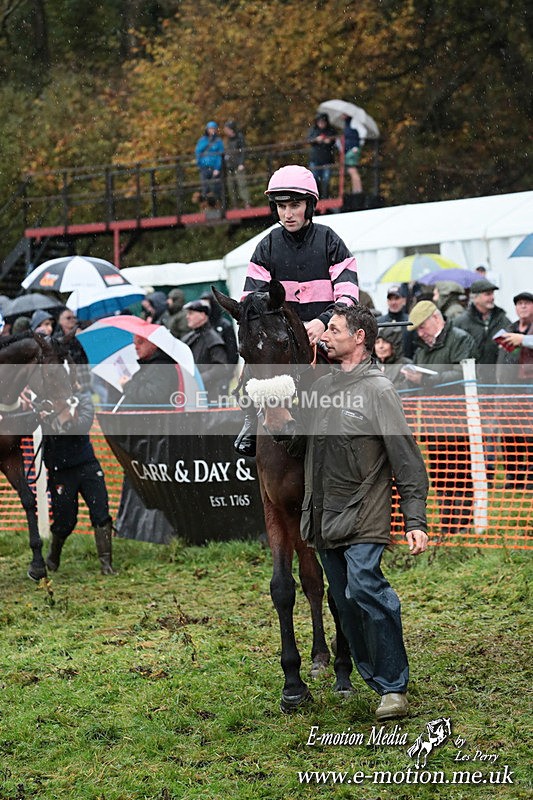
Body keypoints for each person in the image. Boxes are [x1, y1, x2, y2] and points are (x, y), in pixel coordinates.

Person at [264, 303, 428, 721]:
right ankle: (374, 676)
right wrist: (281, 422)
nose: (325, 336)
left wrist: (414, 518)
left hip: (364, 513)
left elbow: (406, 458)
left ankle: (394, 688)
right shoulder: (322, 390)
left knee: (365, 589)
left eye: (333, 330)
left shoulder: (379, 390)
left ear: (359, 337)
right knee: (344, 600)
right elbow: (304, 448)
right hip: (323, 518)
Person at [237, 164, 359, 456]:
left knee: (361, 365)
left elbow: (349, 293)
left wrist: (323, 321)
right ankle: (249, 420)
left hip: (327, 331)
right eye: (282, 207)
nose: (288, 214)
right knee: (254, 359)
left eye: (295, 205)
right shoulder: (266, 246)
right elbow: (251, 301)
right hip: (284, 338)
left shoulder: (330, 240)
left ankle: (366, 427)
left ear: (309, 206)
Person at [403, 301, 478, 535]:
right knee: (440, 472)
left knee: (461, 471)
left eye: (422, 327)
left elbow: (462, 373)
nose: (421, 333)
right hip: (434, 421)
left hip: (458, 420)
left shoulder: (461, 339)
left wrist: (424, 380)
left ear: (436, 319)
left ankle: (464, 522)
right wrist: (410, 378)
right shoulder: (422, 349)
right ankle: (448, 523)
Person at [42, 378, 115, 576]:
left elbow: (81, 426)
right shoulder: (44, 403)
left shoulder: (82, 400)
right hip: (61, 470)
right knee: (65, 520)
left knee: (101, 512)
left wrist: (64, 411)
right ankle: (53, 556)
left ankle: (106, 565)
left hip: (87, 464)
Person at [496, 291, 533, 490]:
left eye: (527, 303)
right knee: (510, 434)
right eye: (519, 303)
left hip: (529, 389)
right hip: (510, 389)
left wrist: (523, 340)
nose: (523, 307)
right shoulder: (509, 328)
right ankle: (514, 476)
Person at [453, 279, 511, 367]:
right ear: (475, 298)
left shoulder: (503, 320)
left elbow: (513, 350)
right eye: (488, 294)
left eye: (492, 293)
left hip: (497, 376)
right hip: (471, 375)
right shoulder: (460, 322)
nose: (492, 297)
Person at [182, 300, 229, 402]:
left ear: (203, 315)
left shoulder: (213, 339)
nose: (187, 317)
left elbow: (221, 369)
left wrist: (199, 379)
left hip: (209, 395)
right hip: (191, 393)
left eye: (191, 313)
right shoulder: (188, 337)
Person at [120, 334, 182, 410]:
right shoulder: (149, 365)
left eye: (140, 342)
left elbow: (153, 396)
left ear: (153, 344)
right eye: (135, 344)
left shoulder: (161, 366)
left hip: (151, 420)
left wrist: (128, 385)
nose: (136, 347)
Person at [200, 289, 239, 365]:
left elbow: (232, 350)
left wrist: (229, 369)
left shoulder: (225, 325)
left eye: (207, 302)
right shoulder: (201, 326)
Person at [377, 284, 414, 358]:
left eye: (396, 298)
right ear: (387, 301)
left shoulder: (411, 321)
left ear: (404, 301)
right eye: (390, 299)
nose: (393, 302)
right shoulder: (379, 322)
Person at [307, 112, 337, 199]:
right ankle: (317, 197)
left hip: (327, 159)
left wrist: (329, 141)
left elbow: (335, 141)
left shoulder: (331, 131)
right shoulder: (313, 130)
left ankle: (325, 197)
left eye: (323, 122)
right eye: (319, 122)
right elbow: (309, 140)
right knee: (314, 179)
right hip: (315, 159)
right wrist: (316, 140)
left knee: (326, 180)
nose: (321, 124)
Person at [223, 120, 251, 208]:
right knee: (231, 186)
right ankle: (235, 205)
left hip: (238, 165)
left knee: (242, 184)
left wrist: (241, 163)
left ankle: (247, 202)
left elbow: (243, 151)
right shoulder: (227, 140)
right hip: (230, 165)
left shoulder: (239, 138)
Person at [195, 121, 224, 202]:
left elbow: (220, 156)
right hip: (204, 167)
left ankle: (218, 205)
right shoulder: (202, 140)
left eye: (213, 129)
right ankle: (206, 205)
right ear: (207, 129)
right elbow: (198, 152)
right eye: (210, 129)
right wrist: (199, 164)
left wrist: (217, 168)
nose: (212, 130)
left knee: (216, 187)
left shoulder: (218, 141)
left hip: (214, 168)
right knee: (205, 187)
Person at [343, 114, 362, 194]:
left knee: (352, 171)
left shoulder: (353, 125)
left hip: (352, 151)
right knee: (352, 171)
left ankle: (357, 190)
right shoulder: (347, 125)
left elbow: (354, 138)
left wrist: (355, 147)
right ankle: (356, 190)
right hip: (350, 151)